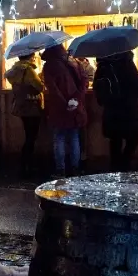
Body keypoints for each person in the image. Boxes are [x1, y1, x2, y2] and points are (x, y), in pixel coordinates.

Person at [93, 50, 138, 172]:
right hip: (129, 108)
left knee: (115, 140)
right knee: (133, 138)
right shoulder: (128, 64)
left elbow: (97, 89)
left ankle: (115, 167)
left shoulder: (102, 66)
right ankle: (125, 163)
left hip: (112, 110)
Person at [41, 43, 87, 177]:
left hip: (59, 108)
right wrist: (76, 101)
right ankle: (75, 168)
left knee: (59, 138)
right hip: (76, 107)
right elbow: (84, 82)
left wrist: (65, 104)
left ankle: (60, 170)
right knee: (74, 138)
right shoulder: (75, 62)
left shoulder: (49, 66)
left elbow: (53, 89)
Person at [4, 53, 44, 176]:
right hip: (31, 106)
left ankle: (24, 164)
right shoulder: (29, 70)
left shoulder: (14, 70)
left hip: (22, 106)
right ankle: (28, 165)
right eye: (32, 56)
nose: (34, 58)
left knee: (28, 134)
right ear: (29, 57)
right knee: (32, 136)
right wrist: (41, 78)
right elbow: (39, 87)